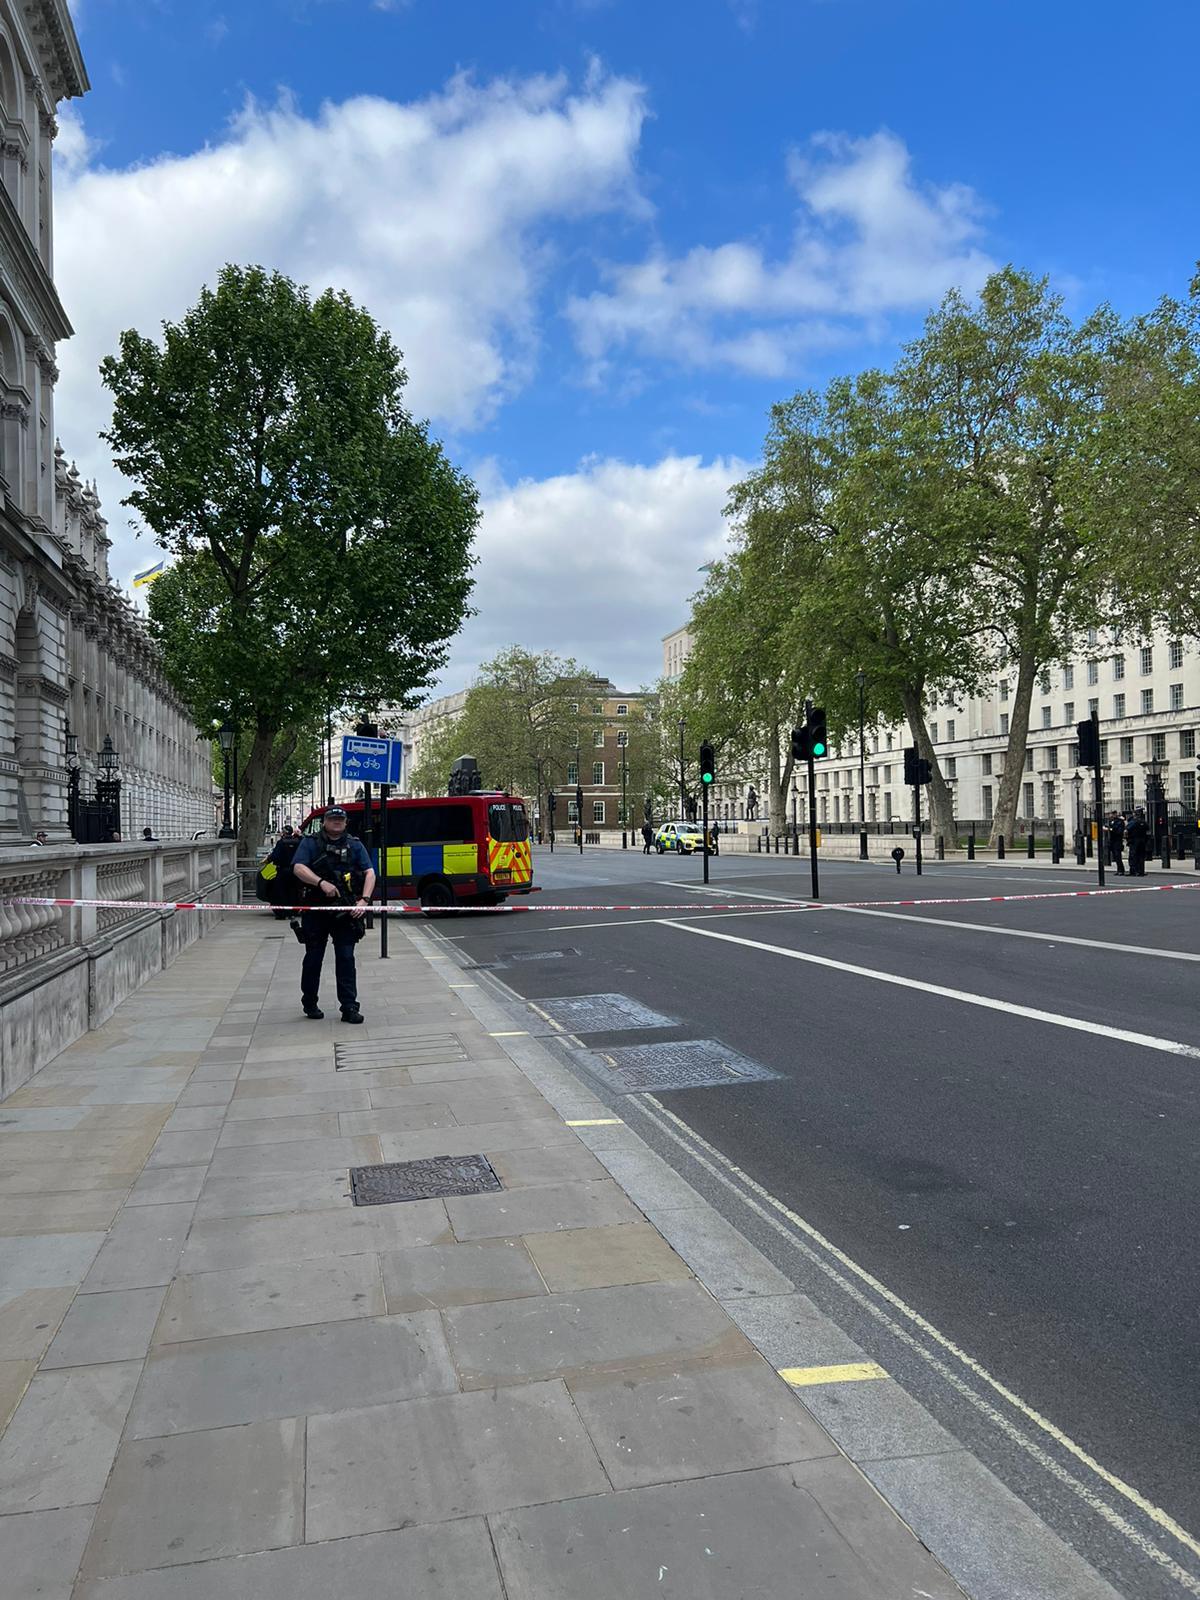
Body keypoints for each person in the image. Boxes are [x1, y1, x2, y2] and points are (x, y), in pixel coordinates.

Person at [291, 807, 375, 1023]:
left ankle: (349, 1007)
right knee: (313, 958)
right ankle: (309, 1002)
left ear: (346, 823)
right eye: (332, 819)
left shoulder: (354, 845)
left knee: (346, 958)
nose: (337, 823)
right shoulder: (310, 842)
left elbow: (370, 872)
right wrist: (321, 883)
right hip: (317, 908)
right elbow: (298, 867)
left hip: (345, 910)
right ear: (325, 822)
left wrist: (363, 901)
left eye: (340, 820)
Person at [263, 825, 303, 920]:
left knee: (280, 892)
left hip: (282, 870)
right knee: (294, 891)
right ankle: (293, 912)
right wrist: (299, 836)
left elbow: (275, 856)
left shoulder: (281, 843)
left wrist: (270, 860)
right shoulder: (297, 842)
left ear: (284, 833)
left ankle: (282, 913)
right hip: (294, 871)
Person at [1125, 807, 1148, 877]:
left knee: (1133, 856)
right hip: (1142, 841)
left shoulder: (1133, 822)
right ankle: (1141, 871)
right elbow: (1148, 831)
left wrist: (1126, 837)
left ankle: (1134, 871)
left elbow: (1126, 830)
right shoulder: (1144, 822)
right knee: (1141, 856)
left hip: (1134, 841)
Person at [1107, 811, 1125, 876]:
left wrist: (1110, 829)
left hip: (1118, 841)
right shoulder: (1111, 821)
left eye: (1111, 815)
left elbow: (1119, 831)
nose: (1110, 816)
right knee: (1115, 856)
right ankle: (1119, 870)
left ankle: (1121, 870)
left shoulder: (1119, 821)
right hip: (1112, 841)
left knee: (1118, 856)